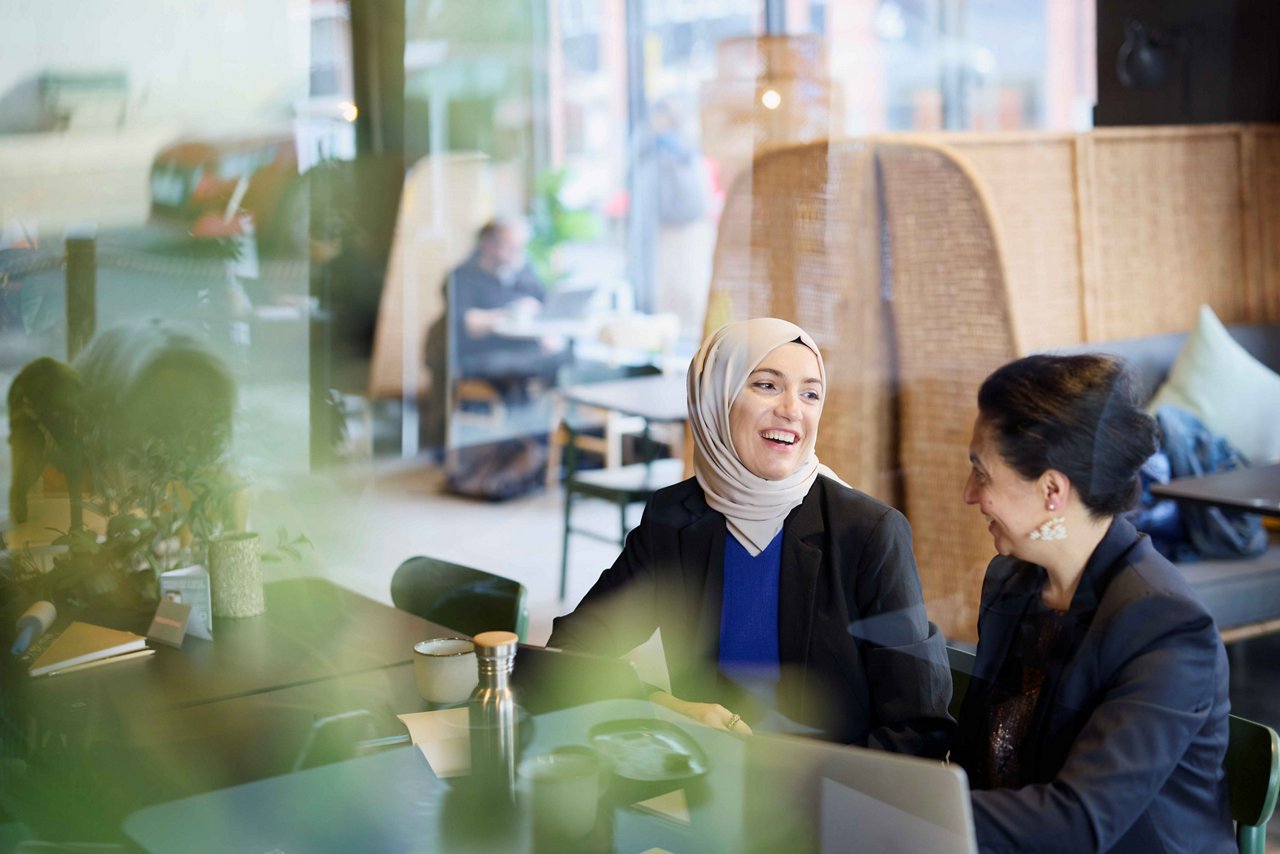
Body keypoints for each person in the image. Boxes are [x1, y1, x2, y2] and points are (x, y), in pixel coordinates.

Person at [548, 318, 953, 752]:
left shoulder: (869, 533)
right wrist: (665, 708)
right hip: (705, 773)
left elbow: (917, 728)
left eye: (810, 393)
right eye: (766, 385)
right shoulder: (673, 520)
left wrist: (829, 790)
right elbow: (570, 654)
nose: (792, 410)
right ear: (715, 399)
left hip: (836, 782)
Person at [952, 354, 1233, 852]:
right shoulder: (1012, 581)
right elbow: (980, 761)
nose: (969, 495)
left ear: (1052, 489)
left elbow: (1080, 821)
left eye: (981, 473)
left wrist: (916, 812)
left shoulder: (1164, 622)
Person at [444, 217, 569, 400]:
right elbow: (464, 322)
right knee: (519, 370)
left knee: (565, 358)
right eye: (512, 247)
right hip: (481, 355)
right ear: (488, 245)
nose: (518, 254)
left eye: (520, 247)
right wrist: (512, 313)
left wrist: (548, 333)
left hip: (525, 350)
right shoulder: (463, 277)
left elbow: (545, 307)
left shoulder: (523, 272)